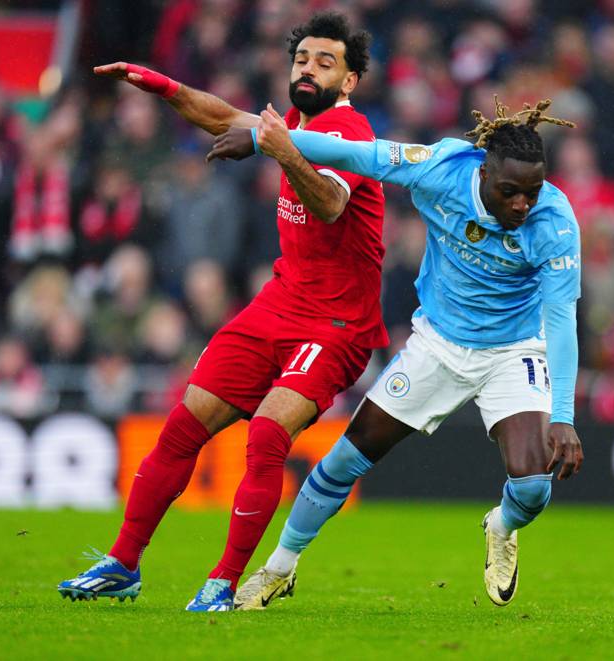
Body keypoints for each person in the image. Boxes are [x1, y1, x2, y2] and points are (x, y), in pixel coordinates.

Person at [58, 12, 388, 612]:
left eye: (325, 62)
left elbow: (332, 205)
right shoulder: (291, 123)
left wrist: (281, 151)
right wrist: (162, 87)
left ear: (348, 81)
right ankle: (122, 563)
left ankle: (224, 582)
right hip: (280, 304)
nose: (308, 68)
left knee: (265, 434)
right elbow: (222, 116)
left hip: (338, 325)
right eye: (302, 58)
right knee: (184, 425)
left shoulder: (351, 134)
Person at [207, 97, 583, 608]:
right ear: (483, 171)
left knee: (535, 485)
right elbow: (361, 155)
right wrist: (262, 140)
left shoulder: (555, 224)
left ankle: (501, 525)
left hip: (513, 349)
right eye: (510, 191)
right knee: (345, 459)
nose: (522, 204)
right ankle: (280, 568)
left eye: (532, 192)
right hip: (437, 344)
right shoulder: (442, 170)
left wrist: (563, 415)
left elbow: (561, 322)